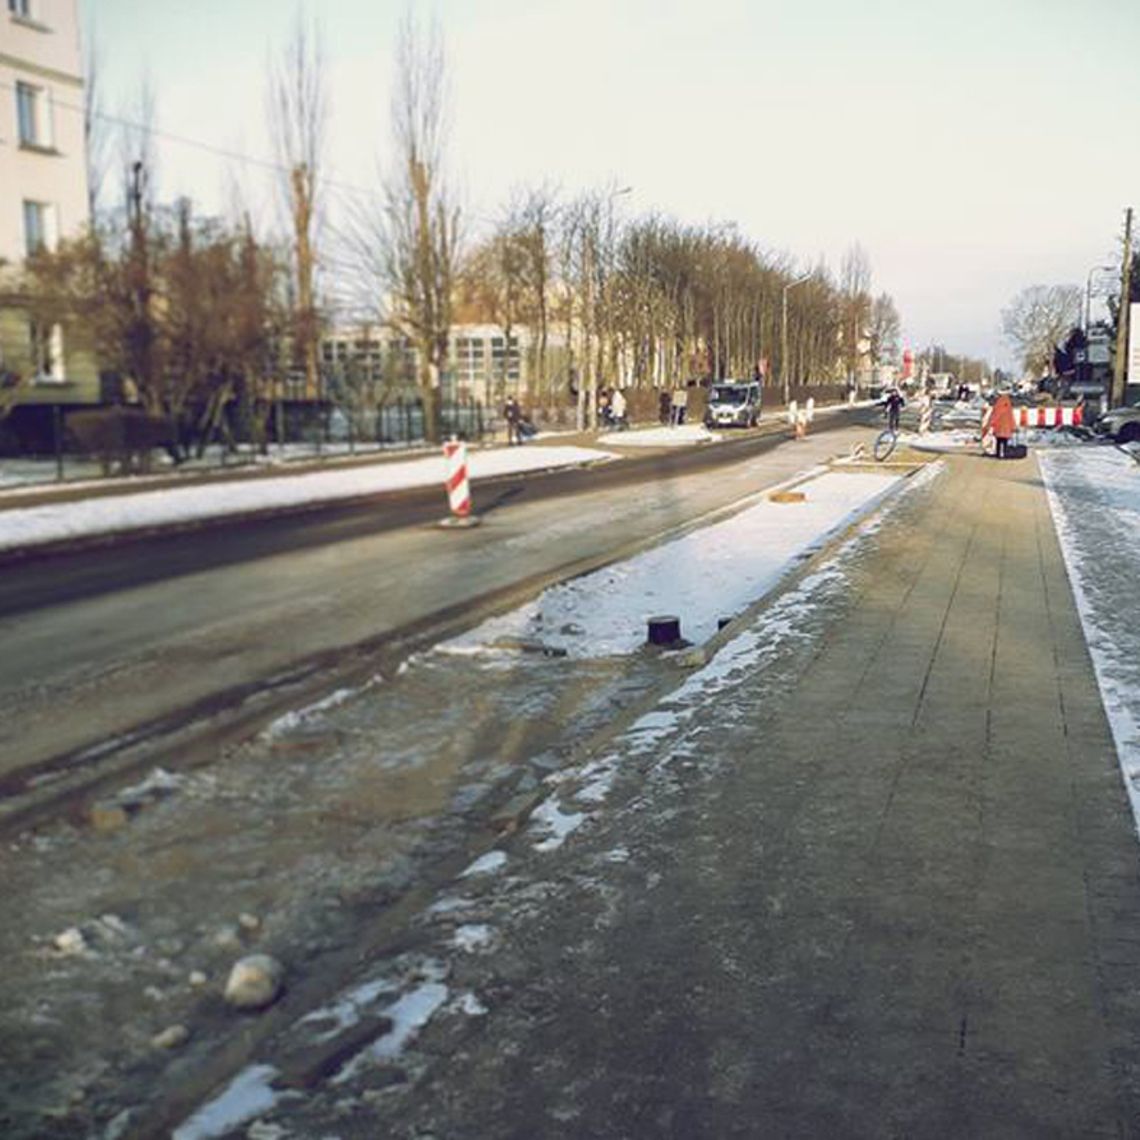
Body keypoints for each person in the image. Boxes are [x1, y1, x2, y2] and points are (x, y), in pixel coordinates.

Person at [990, 390, 1015, 458]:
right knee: (1005, 440)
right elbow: (1011, 415)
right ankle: (1004, 453)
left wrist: (992, 422)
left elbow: (996, 413)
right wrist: (1013, 425)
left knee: (998, 440)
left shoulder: (999, 403)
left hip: (999, 424)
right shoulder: (1008, 403)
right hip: (1006, 425)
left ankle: (998, 453)